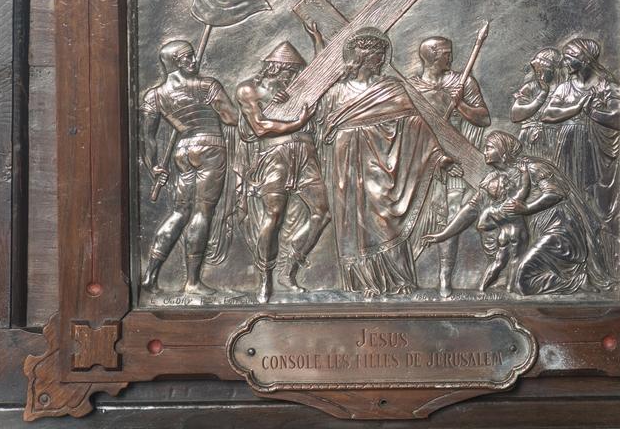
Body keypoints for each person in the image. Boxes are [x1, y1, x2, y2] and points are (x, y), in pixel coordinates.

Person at [318, 27, 458, 297]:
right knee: (354, 219)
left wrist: (437, 154)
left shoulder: (391, 87)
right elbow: (321, 127)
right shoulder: (337, 92)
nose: (382, 60)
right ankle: (364, 282)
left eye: (383, 54)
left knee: (384, 216)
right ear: (362, 57)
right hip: (346, 162)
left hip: (383, 160)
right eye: (376, 55)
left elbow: (415, 122)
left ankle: (398, 278)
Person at [235, 41, 331, 303]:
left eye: (296, 73)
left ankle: (289, 269)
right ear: (274, 68)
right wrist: (297, 121)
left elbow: (325, 74)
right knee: (274, 215)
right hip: (274, 156)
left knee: (322, 212)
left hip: (305, 153)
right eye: (289, 72)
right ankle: (264, 279)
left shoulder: (298, 90)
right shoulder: (249, 89)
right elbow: (259, 127)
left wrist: (316, 40)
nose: (293, 77)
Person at [140, 40, 237, 295]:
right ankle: (192, 282)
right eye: (187, 57)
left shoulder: (155, 95)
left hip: (183, 151)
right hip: (210, 146)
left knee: (179, 213)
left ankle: (150, 276)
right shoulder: (207, 85)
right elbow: (231, 118)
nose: (194, 61)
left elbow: (147, 138)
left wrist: (153, 167)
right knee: (202, 213)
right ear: (175, 62)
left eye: (193, 55)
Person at [408, 36, 491, 297]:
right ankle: (406, 275)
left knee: (453, 215)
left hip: (457, 159)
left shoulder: (462, 82)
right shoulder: (412, 87)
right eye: (446, 53)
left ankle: (445, 276)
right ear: (432, 56)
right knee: (418, 217)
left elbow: (484, 119)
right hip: (423, 163)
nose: (451, 58)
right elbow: (406, 129)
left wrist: (461, 105)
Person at [541, 37, 620, 270]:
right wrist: (577, 108)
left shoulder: (607, 86)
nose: (565, 63)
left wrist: (593, 114)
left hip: (596, 152)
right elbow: (547, 115)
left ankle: (605, 260)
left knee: (597, 204)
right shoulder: (565, 87)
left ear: (585, 60)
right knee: (571, 202)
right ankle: (575, 257)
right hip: (568, 150)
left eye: (569, 58)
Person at [422, 131, 530, 292]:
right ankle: (496, 286)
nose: (484, 151)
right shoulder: (491, 179)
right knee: (502, 263)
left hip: (517, 234)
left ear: (502, 150)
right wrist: (442, 235)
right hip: (504, 237)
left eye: (489, 148)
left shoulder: (524, 171)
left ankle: (505, 286)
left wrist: (527, 208)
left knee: (508, 263)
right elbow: (471, 210)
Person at [509, 47, 562, 160]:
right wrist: (542, 95)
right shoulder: (531, 87)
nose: (540, 76)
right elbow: (516, 115)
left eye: (544, 71)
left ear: (555, 69)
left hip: (556, 139)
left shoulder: (564, 89)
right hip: (529, 137)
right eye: (538, 71)